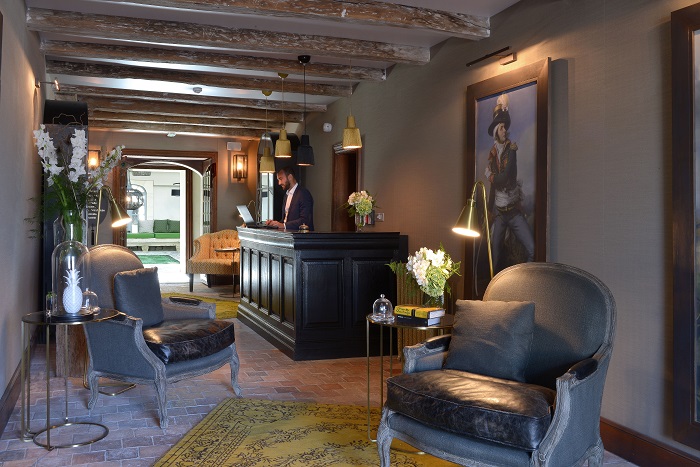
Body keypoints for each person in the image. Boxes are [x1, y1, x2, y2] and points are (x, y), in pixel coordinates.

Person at [484, 94, 535, 271]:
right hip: (500, 214)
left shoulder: (511, 150)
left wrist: (490, 175)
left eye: (505, 127)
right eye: (501, 128)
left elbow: (504, 178)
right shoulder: (492, 155)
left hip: (513, 212)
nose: (504, 130)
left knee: (532, 249)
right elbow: (493, 188)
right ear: (496, 131)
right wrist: (489, 210)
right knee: (494, 256)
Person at [266, 166, 314, 231]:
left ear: (290, 177)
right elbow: (285, 220)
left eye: (281, 179)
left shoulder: (304, 194)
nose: (279, 183)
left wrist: (283, 225)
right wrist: (275, 223)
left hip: (300, 235)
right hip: (288, 234)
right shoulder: (286, 195)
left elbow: (305, 220)